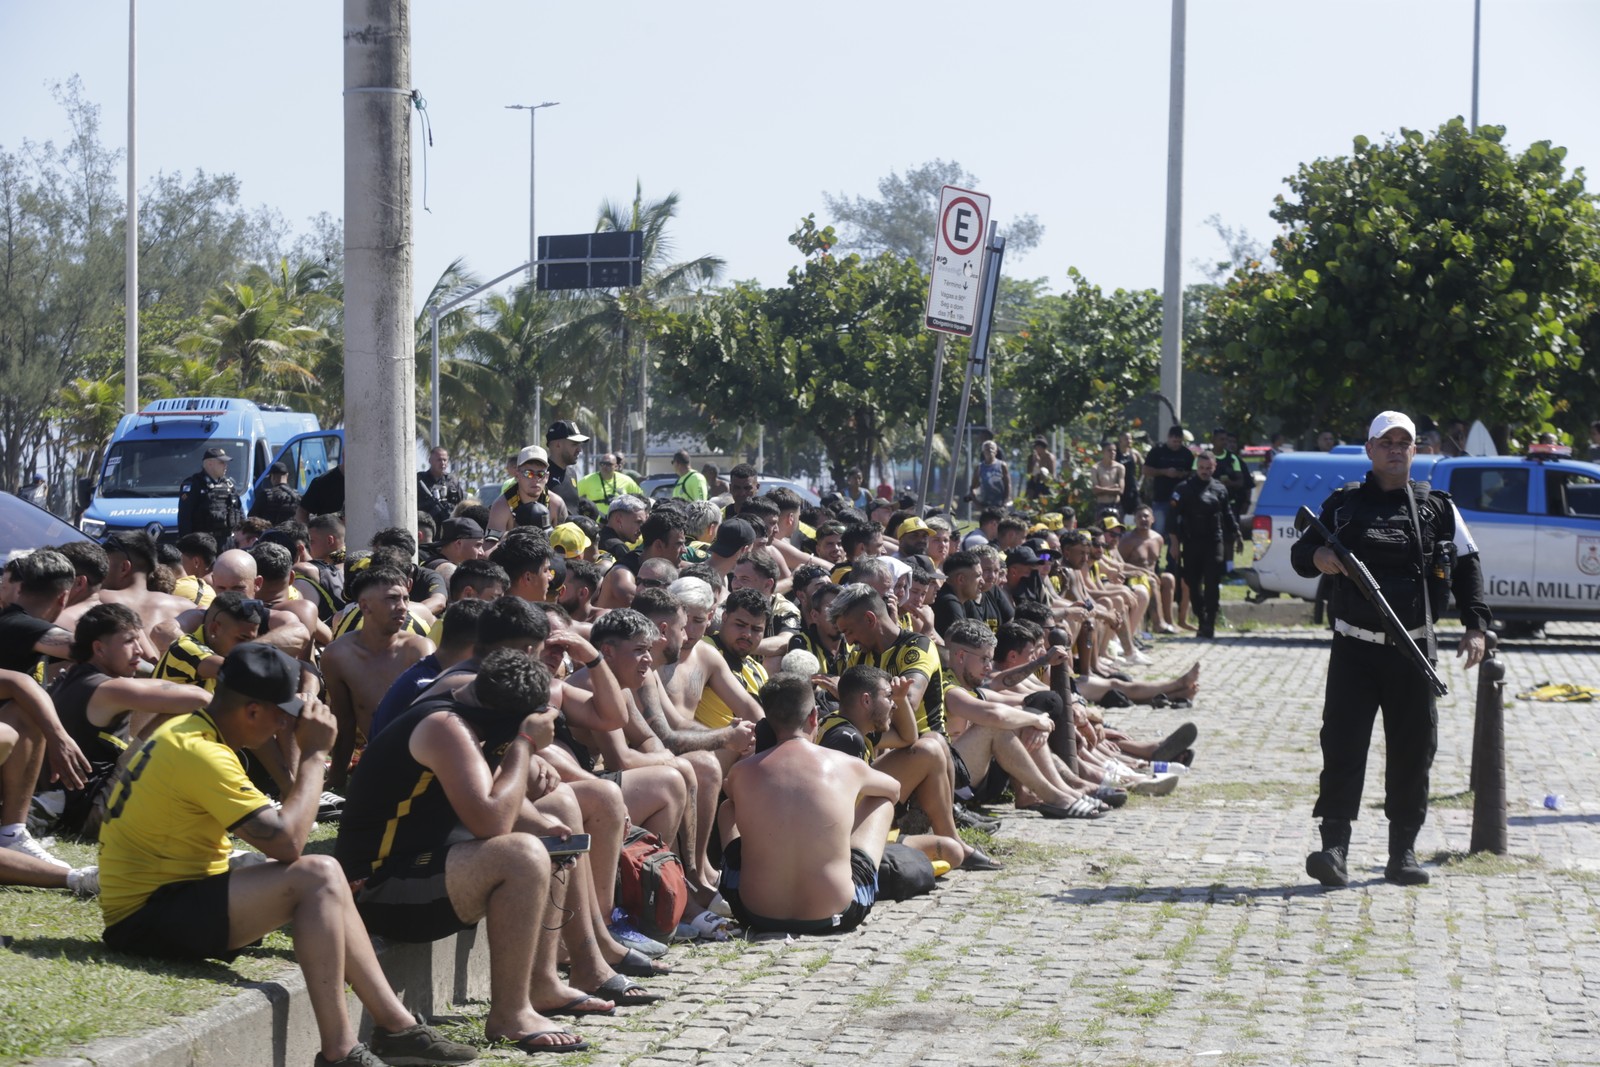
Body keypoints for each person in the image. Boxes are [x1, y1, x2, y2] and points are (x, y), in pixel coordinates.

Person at [98, 644, 477, 1067]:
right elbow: (288, 843)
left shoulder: (187, 730)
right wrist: (315, 755)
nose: (285, 724)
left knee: (325, 873)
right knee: (316, 872)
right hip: (148, 917)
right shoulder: (200, 752)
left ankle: (398, 1028)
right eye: (281, 713)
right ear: (253, 711)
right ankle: (340, 1052)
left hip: (168, 897)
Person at [1292, 410, 1490, 889]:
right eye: (1386, 442)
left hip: (1414, 651)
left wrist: (1476, 626)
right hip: (1354, 651)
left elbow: (1468, 566)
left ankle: (1402, 853)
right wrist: (1318, 556)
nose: (1396, 449)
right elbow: (1301, 554)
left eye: (1405, 442)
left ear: (1415, 451)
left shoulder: (1439, 507)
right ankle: (1334, 849)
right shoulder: (1342, 506)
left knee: (1412, 752)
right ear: (1370, 449)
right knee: (1342, 748)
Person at [720, 673, 898, 935]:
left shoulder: (741, 772)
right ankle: (838, 862)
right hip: (837, 912)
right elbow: (894, 789)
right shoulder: (846, 764)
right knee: (882, 801)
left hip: (755, 913)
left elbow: (730, 792)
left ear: (768, 722)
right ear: (814, 716)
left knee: (728, 808)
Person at [1170, 452, 1241, 640]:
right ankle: (1201, 618)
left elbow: (1227, 515)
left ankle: (1210, 621)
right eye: (1201, 468)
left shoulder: (1220, 488)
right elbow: (1172, 518)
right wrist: (1174, 544)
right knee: (1193, 584)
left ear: (1214, 467)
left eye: (1208, 468)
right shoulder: (1183, 488)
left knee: (1212, 582)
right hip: (1192, 541)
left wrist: (1237, 535)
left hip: (1213, 541)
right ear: (1196, 467)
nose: (1204, 471)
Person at [488, 445, 568, 533]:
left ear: (547, 477)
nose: (535, 479)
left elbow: (566, 543)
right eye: (528, 473)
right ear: (517, 475)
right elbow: (491, 545)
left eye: (540, 474)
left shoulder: (556, 505)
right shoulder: (501, 507)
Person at [176, 447, 243, 541]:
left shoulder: (229, 485)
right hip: (203, 543)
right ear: (209, 464)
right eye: (221, 462)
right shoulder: (195, 484)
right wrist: (187, 543)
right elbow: (185, 518)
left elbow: (240, 512)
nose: (225, 466)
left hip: (228, 542)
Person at [1144, 425, 1194, 538]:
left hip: (1180, 498)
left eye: (1179, 442)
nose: (1176, 444)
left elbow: (1192, 473)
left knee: (1177, 532)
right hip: (1161, 497)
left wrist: (1182, 474)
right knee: (1158, 531)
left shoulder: (1186, 454)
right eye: (1174, 441)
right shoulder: (1158, 451)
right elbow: (1146, 470)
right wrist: (1164, 472)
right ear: (1168, 438)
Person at [544, 419, 590, 513]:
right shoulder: (541, 474)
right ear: (558, 445)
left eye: (580, 445)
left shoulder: (571, 473)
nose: (579, 450)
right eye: (574, 444)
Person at [577, 453, 644, 516]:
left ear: (616, 466)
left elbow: (641, 498)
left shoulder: (626, 480)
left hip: (619, 524)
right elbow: (572, 496)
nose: (605, 467)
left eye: (609, 464)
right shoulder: (588, 480)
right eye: (602, 464)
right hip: (596, 523)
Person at [416, 446, 465, 527]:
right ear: (430, 461)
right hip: (426, 526)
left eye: (444, 460)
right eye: (439, 460)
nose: (442, 463)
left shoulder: (452, 481)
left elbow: (461, 504)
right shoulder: (420, 479)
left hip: (448, 524)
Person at [968, 439, 1010, 510]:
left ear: (996, 451)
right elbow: (972, 487)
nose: (990, 450)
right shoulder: (980, 467)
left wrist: (1005, 501)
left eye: (992, 448)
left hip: (999, 503)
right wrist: (977, 504)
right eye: (987, 449)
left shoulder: (1002, 465)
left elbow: (1007, 485)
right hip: (984, 504)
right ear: (983, 452)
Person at [1090, 440, 1124, 518]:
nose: (1113, 453)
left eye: (1114, 450)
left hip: (1115, 505)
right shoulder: (1096, 468)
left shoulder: (1119, 468)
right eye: (1109, 450)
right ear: (1103, 452)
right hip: (1102, 505)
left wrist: (1101, 489)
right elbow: (1095, 490)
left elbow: (1120, 490)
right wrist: (1113, 487)